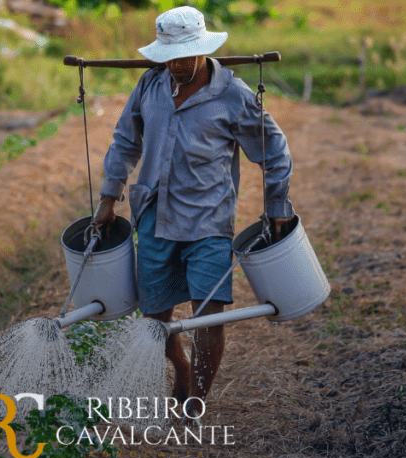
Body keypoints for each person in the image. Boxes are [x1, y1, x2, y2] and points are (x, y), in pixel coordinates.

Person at [92, 6, 295, 418]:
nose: (177, 65)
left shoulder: (233, 96)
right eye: (170, 57)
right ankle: (181, 369)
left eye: (185, 56)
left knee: (207, 317)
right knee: (155, 319)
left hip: (208, 220)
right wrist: (109, 197)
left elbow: (274, 151)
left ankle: (196, 403)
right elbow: (124, 141)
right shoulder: (150, 86)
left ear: (202, 50)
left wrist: (276, 205)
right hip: (154, 216)